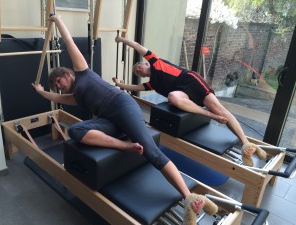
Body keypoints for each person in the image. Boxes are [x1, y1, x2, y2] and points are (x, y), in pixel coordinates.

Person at [31, 15, 218, 215]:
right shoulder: (76, 96)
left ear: (67, 74)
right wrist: (41, 92)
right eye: (57, 86)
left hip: (122, 106)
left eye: (59, 82)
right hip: (110, 120)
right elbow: (57, 99)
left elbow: (68, 42)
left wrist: (57, 20)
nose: (59, 87)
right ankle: (126, 146)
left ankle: (187, 196)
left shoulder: (82, 72)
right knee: (76, 131)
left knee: (152, 152)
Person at [112, 36, 267, 167]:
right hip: (181, 93)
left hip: (190, 81)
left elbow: (138, 46)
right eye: (137, 72)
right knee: (173, 97)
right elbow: (132, 87)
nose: (138, 70)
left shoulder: (156, 62)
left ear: (145, 64)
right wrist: (119, 84)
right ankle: (209, 115)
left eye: (139, 67)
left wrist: (122, 39)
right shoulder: (152, 84)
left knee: (219, 109)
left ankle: (245, 143)